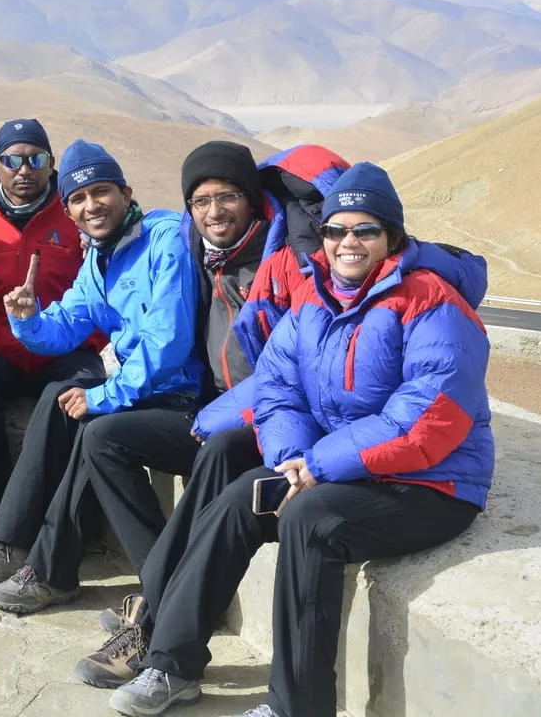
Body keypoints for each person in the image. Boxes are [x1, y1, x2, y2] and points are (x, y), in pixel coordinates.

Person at [107, 162, 493, 717]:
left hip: (431, 484)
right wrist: (290, 461)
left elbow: (424, 422)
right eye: (336, 230)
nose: (347, 242)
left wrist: (316, 467)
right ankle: (172, 663)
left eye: (365, 230)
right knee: (238, 499)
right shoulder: (315, 299)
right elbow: (277, 390)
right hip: (340, 468)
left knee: (309, 521)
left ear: (393, 237)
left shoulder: (432, 303)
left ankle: (295, 707)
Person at [73, 142, 353, 687]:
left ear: (250, 199)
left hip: (277, 424)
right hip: (216, 411)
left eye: (227, 196)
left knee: (223, 453)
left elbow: (292, 373)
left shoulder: (291, 261)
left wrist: (220, 416)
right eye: (200, 201)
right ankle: (164, 588)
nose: (214, 212)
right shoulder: (203, 254)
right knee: (105, 438)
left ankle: (156, 629)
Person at [0, 139, 205, 614]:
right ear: (68, 209)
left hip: (184, 396)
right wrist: (28, 318)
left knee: (96, 427)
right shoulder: (99, 258)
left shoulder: (164, 239)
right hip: (149, 392)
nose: (91, 205)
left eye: (101, 192)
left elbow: (168, 343)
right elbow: (64, 327)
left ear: (126, 193)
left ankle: (63, 572)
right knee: (62, 395)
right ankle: (12, 546)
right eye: (78, 198)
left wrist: (106, 396)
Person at [0, 118, 105, 522]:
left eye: (36, 159)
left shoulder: (77, 218)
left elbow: (106, 287)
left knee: (78, 395)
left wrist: (92, 340)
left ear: (51, 163)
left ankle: (67, 520)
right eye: (13, 160)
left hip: (65, 349)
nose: (25, 170)